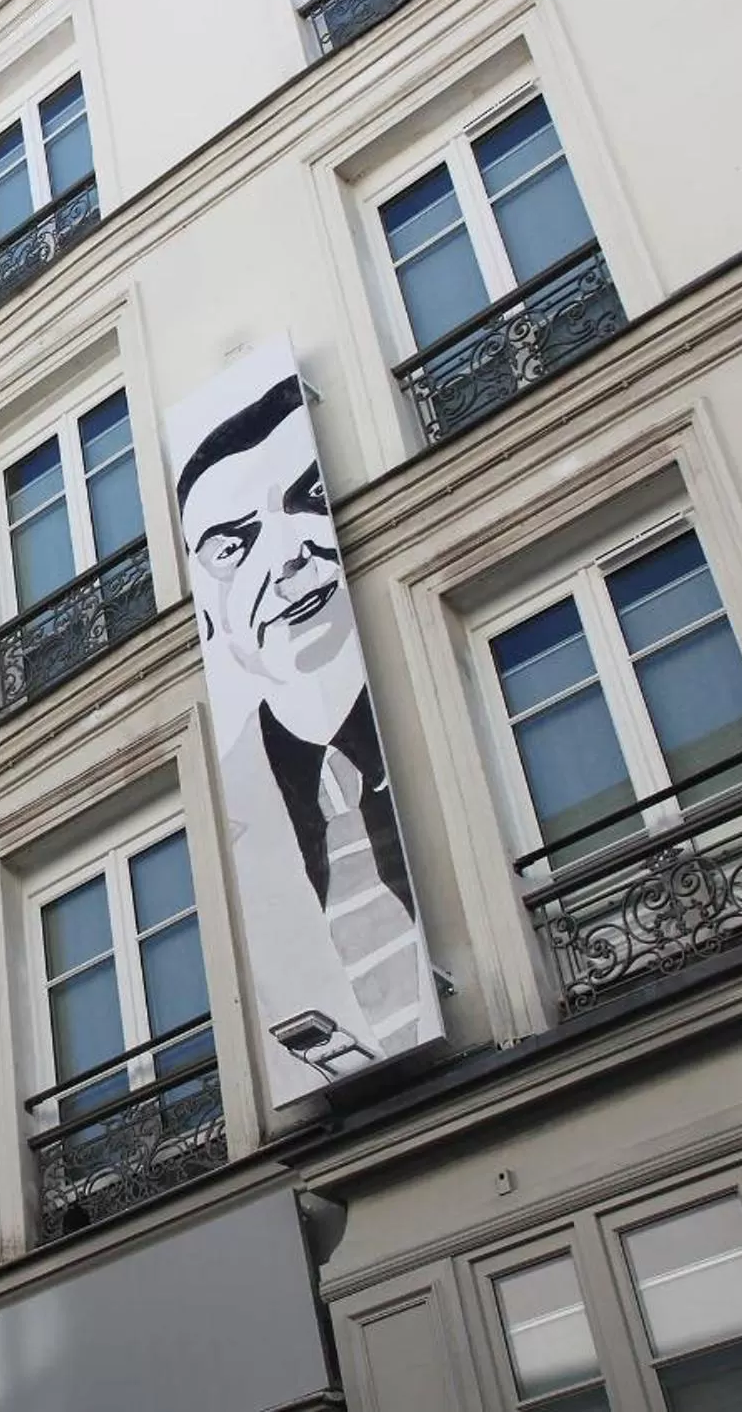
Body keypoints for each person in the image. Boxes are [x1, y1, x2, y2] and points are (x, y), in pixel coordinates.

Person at [169, 360, 432, 1097]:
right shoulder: (237, 802)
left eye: (309, 498)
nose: (290, 556)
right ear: (209, 608)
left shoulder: (425, 684)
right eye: (232, 544)